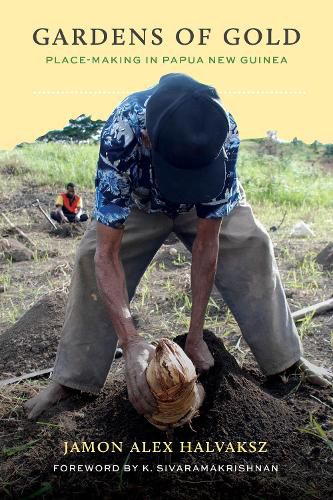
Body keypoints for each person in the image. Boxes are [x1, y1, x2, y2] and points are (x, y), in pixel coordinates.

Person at [25, 73, 332, 420]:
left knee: (252, 244)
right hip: (141, 203)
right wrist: (131, 342)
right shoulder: (122, 133)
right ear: (147, 139)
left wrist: (196, 336)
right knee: (88, 259)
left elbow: (207, 242)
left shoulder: (222, 131)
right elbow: (107, 253)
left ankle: (286, 363)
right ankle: (72, 381)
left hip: (203, 200)